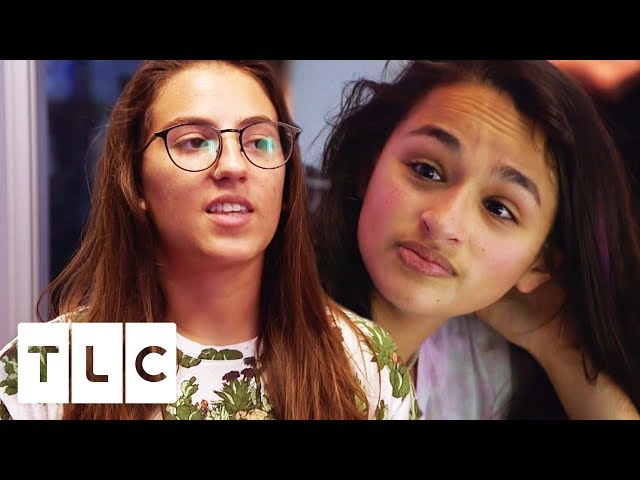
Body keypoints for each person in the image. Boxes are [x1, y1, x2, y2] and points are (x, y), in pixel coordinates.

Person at [0, 60, 417, 420]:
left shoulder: (361, 359)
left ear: (287, 184)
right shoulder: (61, 362)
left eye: (259, 141)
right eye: (195, 142)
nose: (234, 166)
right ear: (136, 182)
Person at [313, 60, 640, 419]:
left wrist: (555, 348)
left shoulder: (477, 362)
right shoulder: (273, 332)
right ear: (368, 167)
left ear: (540, 263)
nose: (443, 222)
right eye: (426, 170)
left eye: (498, 209)